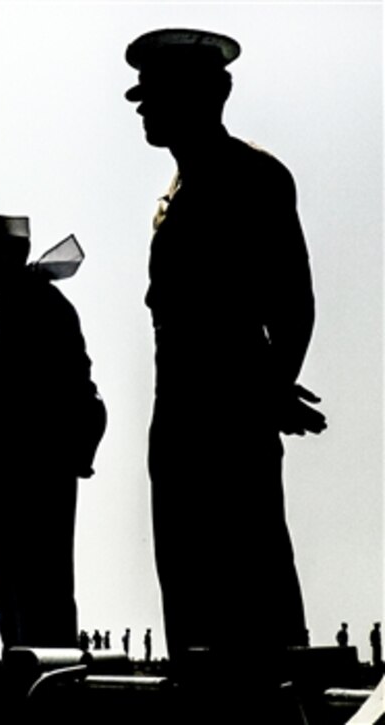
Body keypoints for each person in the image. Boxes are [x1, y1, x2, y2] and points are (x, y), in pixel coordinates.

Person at [125, 28, 324, 660]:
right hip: (177, 413)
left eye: (155, 95)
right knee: (189, 597)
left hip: (229, 419)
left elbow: (293, 305)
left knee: (254, 590)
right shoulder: (172, 199)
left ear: (204, 96)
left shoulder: (253, 177)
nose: (143, 109)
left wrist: (266, 396)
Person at [0, 213, 101, 650]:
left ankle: (51, 695)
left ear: (8, 254)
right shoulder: (5, 310)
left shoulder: (42, 308)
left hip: (33, 478)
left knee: (40, 592)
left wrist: (61, 461)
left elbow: (80, 395)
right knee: (10, 592)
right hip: (3, 476)